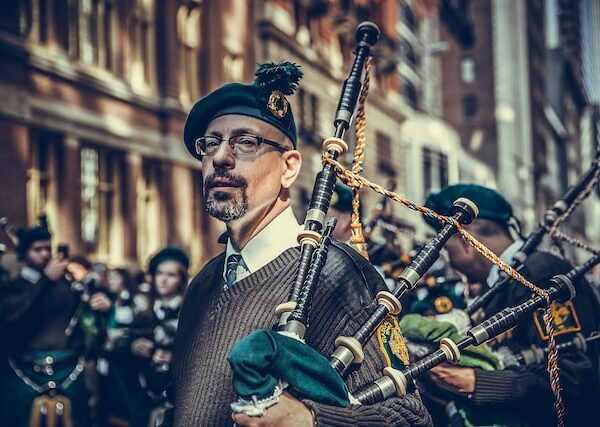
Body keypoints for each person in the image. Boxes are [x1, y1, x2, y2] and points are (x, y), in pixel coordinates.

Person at [171, 62, 431, 426]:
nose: (219, 157)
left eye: (245, 142)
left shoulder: (338, 275)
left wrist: (311, 420)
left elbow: (410, 418)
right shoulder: (203, 282)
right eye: (211, 143)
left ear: (289, 168)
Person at [422, 183, 600, 426]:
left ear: (466, 241)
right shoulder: (502, 284)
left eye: (446, 248)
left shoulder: (540, 273)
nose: (449, 262)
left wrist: (477, 382)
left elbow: (575, 375)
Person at [0, 221, 111, 427]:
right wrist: (44, 280)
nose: (44, 254)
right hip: (22, 373)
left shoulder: (67, 286)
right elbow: (13, 317)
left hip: (68, 369)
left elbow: (86, 323)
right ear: (24, 253)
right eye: (37, 249)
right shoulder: (12, 287)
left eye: (47, 248)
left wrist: (102, 304)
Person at [130, 247, 189, 427]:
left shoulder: (190, 311)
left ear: (181, 280)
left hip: (179, 394)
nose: (163, 279)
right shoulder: (142, 311)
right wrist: (133, 346)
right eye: (159, 273)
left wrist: (176, 357)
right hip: (144, 392)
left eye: (171, 275)